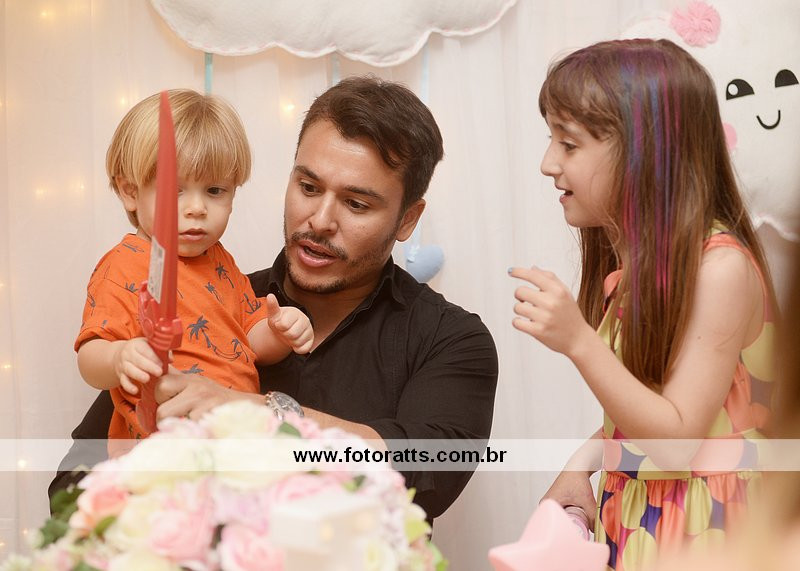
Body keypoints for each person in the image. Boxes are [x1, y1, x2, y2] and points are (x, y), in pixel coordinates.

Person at [52, 76, 499, 521]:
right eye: (308, 188)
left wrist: (258, 414)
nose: (319, 220)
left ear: (407, 220)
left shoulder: (451, 340)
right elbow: (71, 488)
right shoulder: (201, 297)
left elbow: (427, 470)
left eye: (356, 204)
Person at [509, 39, 776, 570]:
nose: (547, 163)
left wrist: (579, 342)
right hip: (642, 516)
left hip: (705, 529)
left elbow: (676, 444)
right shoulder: (638, 268)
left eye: (569, 143)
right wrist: (583, 462)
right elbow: (652, 410)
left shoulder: (719, 270)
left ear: (645, 154)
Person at [75, 89, 313, 444]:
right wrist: (118, 357)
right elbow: (89, 356)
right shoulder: (122, 267)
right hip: (163, 439)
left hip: (234, 433)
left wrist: (279, 332)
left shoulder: (220, 261)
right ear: (130, 192)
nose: (197, 208)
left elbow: (250, 340)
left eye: (215, 190)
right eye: (176, 190)